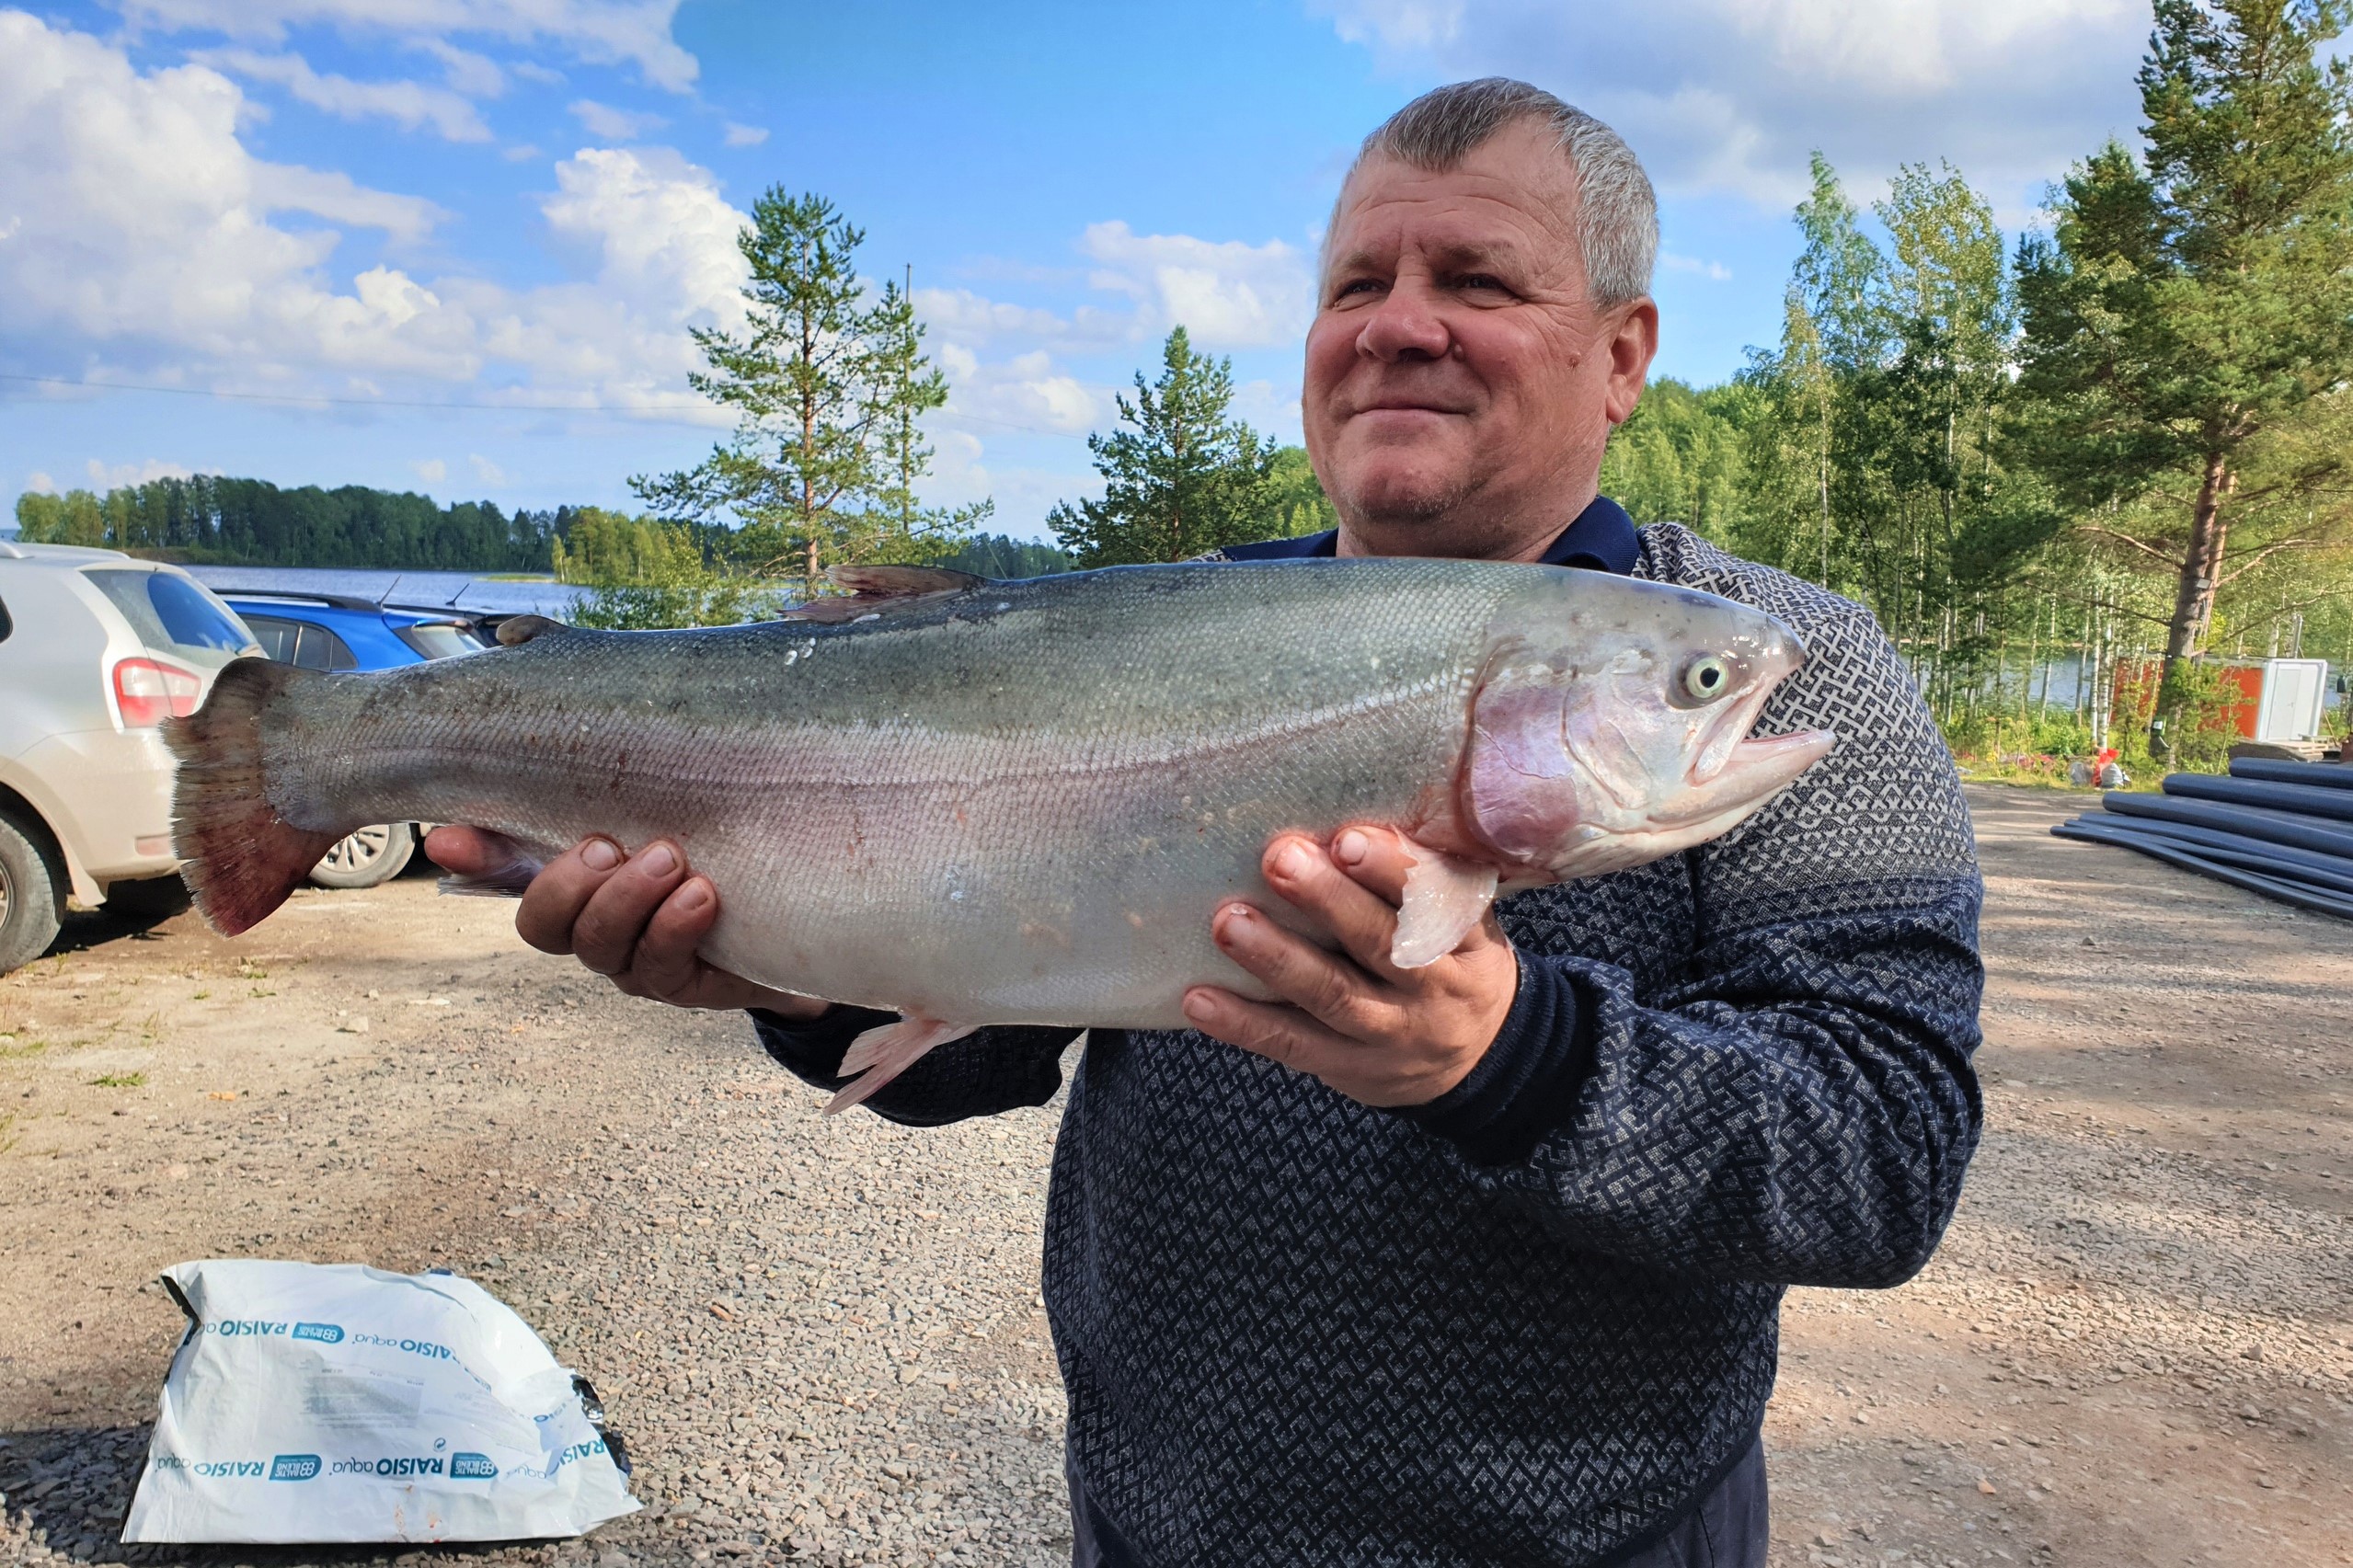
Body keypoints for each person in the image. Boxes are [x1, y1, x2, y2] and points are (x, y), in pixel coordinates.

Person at [430, 78, 1983, 1568]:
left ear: (1621, 352)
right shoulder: (1179, 628)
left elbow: (1880, 1152)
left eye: (1479, 279)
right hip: (1152, 1526)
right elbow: (961, 1054)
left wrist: (1515, 1056)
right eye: (1356, 278)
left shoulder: (1765, 664)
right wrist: (773, 967)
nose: (1397, 323)